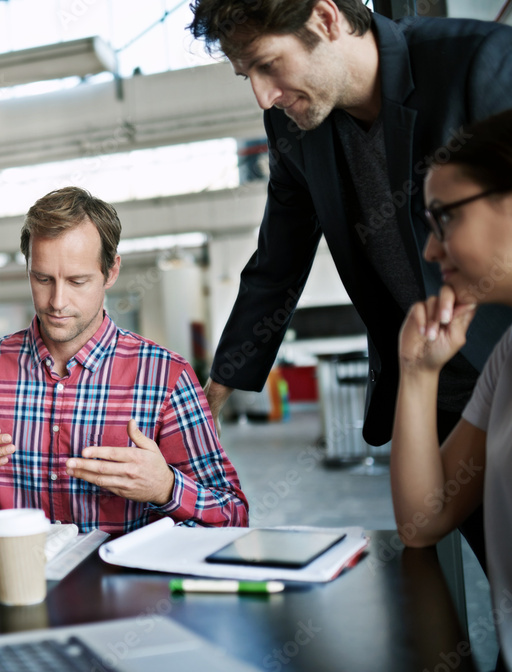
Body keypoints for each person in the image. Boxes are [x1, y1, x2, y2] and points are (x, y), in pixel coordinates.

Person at [189, 0, 512, 561]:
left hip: (500, 356)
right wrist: (217, 387)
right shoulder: (293, 125)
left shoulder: (477, 63)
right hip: (437, 388)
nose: (263, 95)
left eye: (268, 64)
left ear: (325, 19)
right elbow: (278, 257)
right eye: (248, 77)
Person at [0, 187, 247, 533]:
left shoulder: (166, 377)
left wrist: (167, 489)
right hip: (23, 579)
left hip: (127, 583)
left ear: (111, 272)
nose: (57, 301)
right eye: (42, 279)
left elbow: (233, 516)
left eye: (77, 281)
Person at [391, 110, 512, 670]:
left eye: (444, 220)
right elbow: (423, 521)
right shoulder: (507, 357)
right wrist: (418, 374)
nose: (432, 251)